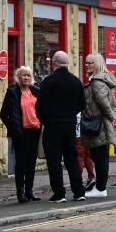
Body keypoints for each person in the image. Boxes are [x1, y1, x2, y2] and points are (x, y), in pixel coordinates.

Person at [37, 51, 87, 203]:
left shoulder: (48, 82)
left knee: (54, 160)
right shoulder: (76, 81)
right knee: (71, 157)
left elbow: (40, 106)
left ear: (54, 62)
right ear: (68, 63)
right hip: (70, 124)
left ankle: (59, 193)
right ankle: (79, 191)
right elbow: (82, 104)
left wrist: (45, 120)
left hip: (52, 125)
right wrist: (71, 115)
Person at [0, 66, 42, 203]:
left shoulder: (36, 91)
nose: (26, 78)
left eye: (28, 76)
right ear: (19, 77)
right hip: (21, 132)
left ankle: (29, 190)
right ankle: (20, 191)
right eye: (23, 75)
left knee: (31, 162)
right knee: (21, 162)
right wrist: (12, 126)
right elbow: (3, 114)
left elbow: (42, 109)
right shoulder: (12, 92)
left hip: (34, 130)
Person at [81, 54, 116, 198]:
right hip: (102, 123)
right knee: (100, 156)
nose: (87, 65)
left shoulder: (97, 82)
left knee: (100, 157)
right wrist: (113, 116)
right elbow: (113, 103)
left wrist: (112, 117)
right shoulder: (103, 80)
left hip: (98, 125)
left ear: (97, 64)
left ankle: (101, 188)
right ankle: (100, 187)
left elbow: (104, 102)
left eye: (90, 63)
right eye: (86, 62)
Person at [75, 114, 96, 191]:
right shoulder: (85, 110)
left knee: (80, 157)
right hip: (87, 134)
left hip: (78, 136)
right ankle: (91, 177)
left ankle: (79, 178)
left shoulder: (76, 112)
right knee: (87, 157)